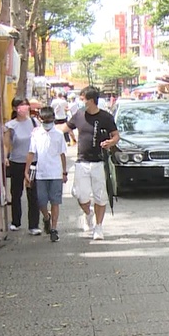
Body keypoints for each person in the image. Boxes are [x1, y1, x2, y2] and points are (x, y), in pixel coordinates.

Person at [67, 86, 120, 240]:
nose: (80, 102)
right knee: (80, 194)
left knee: (100, 196)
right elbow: (65, 127)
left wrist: (110, 142)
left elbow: (116, 135)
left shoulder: (106, 117)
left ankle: (98, 226)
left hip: (99, 162)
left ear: (91, 100)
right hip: (82, 161)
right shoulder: (79, 115)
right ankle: (88, 213)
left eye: (82, 99)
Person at [24, 106, 68, 242]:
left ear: (53, 119)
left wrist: (64, 172)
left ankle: (54, 228)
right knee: (41, 201)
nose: (47, 123)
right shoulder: (36, 134)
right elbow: (31, 152)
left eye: (49, 120)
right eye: (44, 120)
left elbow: (62, 154)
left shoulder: (59, 134)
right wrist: (26, 171)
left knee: (55, 201)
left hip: (55, 173)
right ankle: (46, 217)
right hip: (41, 174)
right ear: (40, 119)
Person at [3, 97, 41, 234]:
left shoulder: (35, 122)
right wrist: (5, 157)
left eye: (26, 105)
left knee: (33, 193)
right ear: (14, 108)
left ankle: (34, 225)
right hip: (16, 162)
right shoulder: (10, 125)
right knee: (16, 192)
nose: (24, 108)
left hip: (32, 162)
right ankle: (16, 221)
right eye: (21, 105)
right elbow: (6, 144)